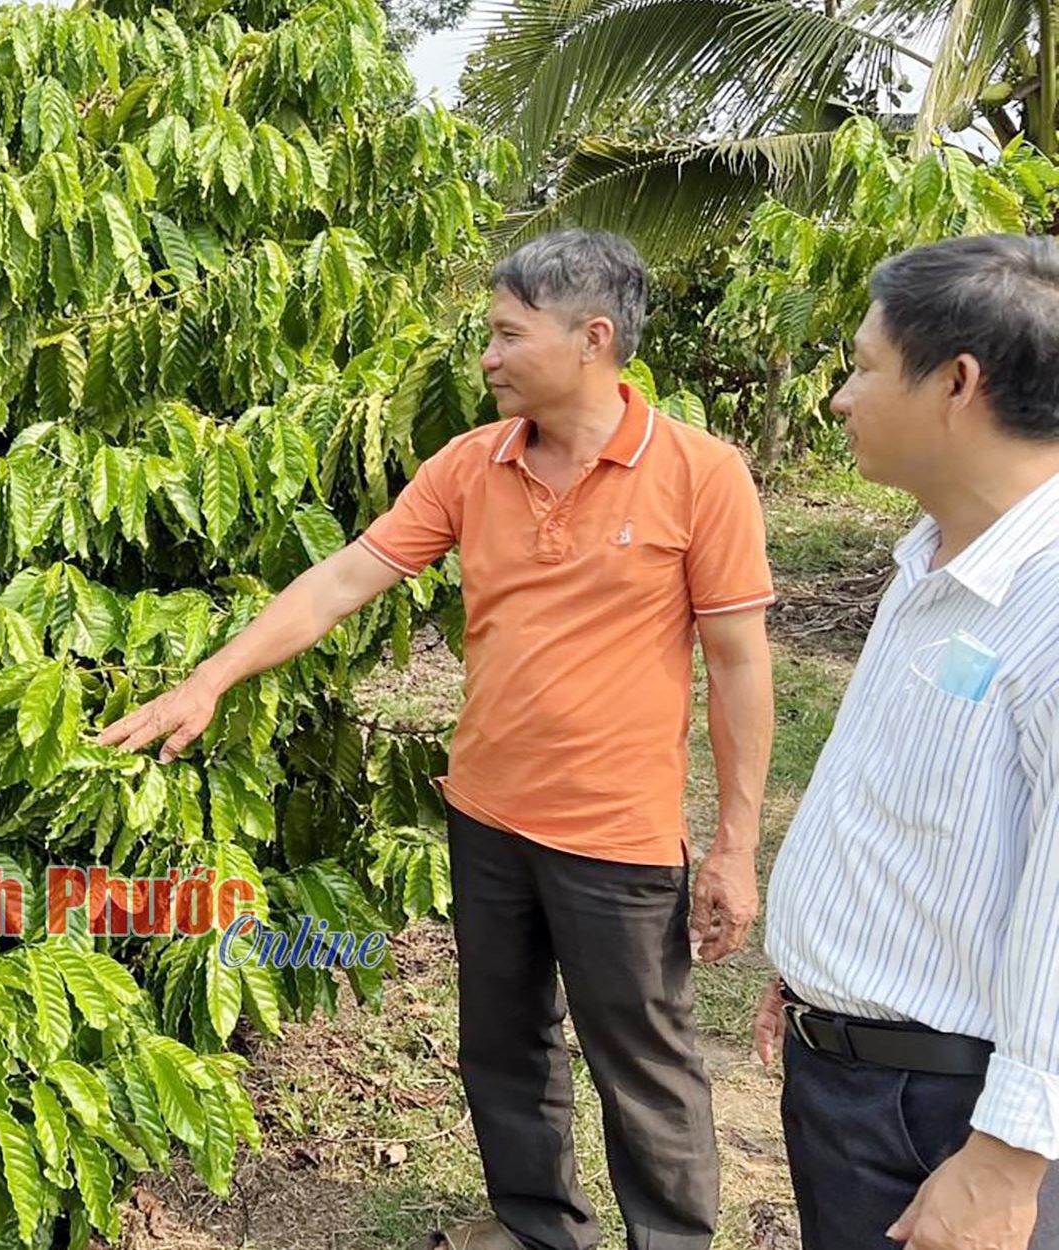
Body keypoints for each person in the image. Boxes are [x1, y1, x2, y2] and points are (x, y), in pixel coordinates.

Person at [100, 229, 776, 1250]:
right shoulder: (471, 463)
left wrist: (732, 842)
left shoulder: (698, 473)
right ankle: (535, 1223)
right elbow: (340, 580)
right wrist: (208, 676)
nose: (486, 357)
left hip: (614, 833)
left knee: (641, 1059)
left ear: (591, 339)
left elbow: (736, 663)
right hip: (487, 814)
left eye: (507, 335)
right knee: (501, 1041)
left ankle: (670, 1238)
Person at [759, 234, 1059, 1250]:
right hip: (858, 1076)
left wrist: (1008, 1157)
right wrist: (814, 967)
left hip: (951, 1115)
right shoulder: (934, 552)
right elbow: (897, 797)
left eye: (862, 365)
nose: (840, 396)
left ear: (957, 383)